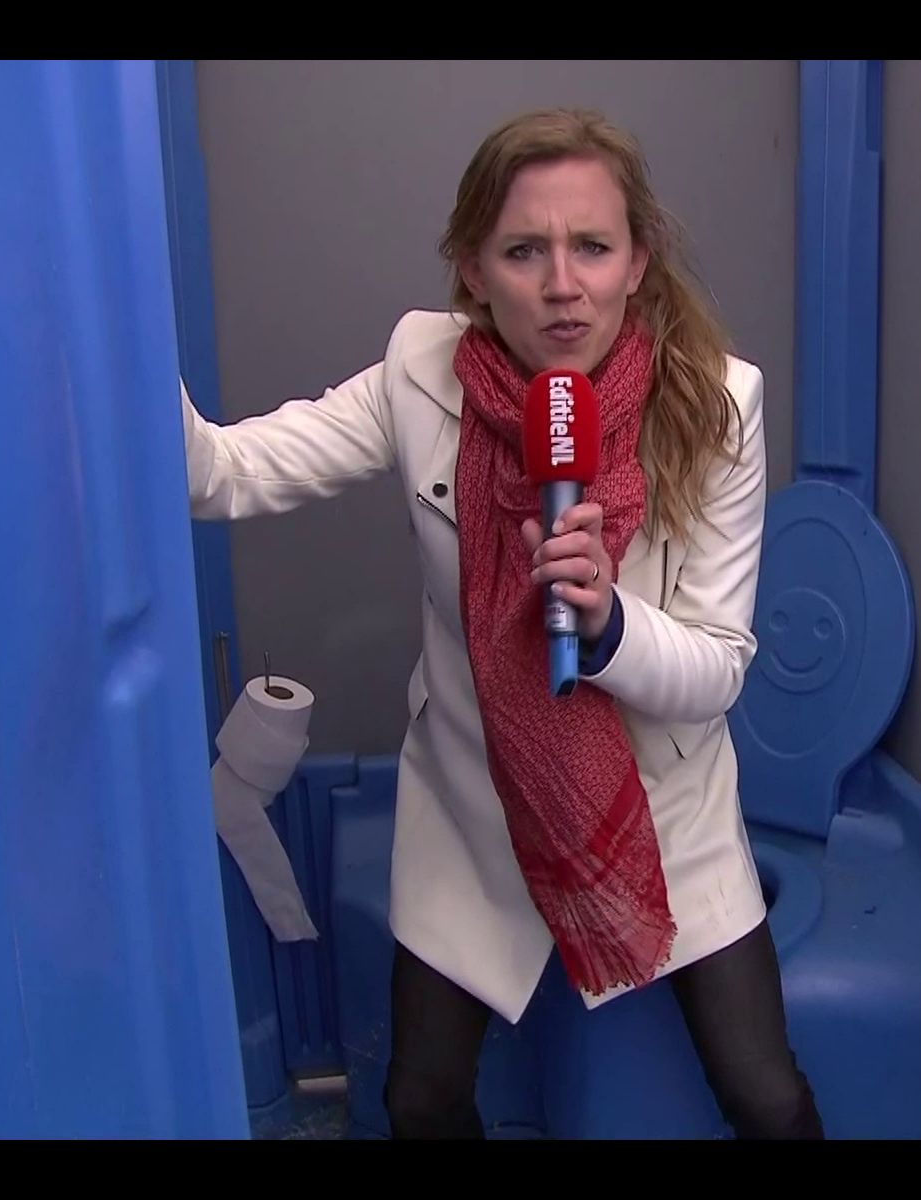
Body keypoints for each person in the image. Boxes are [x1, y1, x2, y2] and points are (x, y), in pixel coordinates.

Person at [178, 108, 822, 1140]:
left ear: (637, 264)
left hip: (661, 807)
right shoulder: (419, 371)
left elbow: (716, 671)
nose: (562, 284)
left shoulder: (717, 404)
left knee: (767, 1095)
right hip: (473, 801)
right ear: (473, 270)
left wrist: (607, 627)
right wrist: (106, 321)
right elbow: (222, 474)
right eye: (524, 251)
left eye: (592, 247)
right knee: (419, 1098)